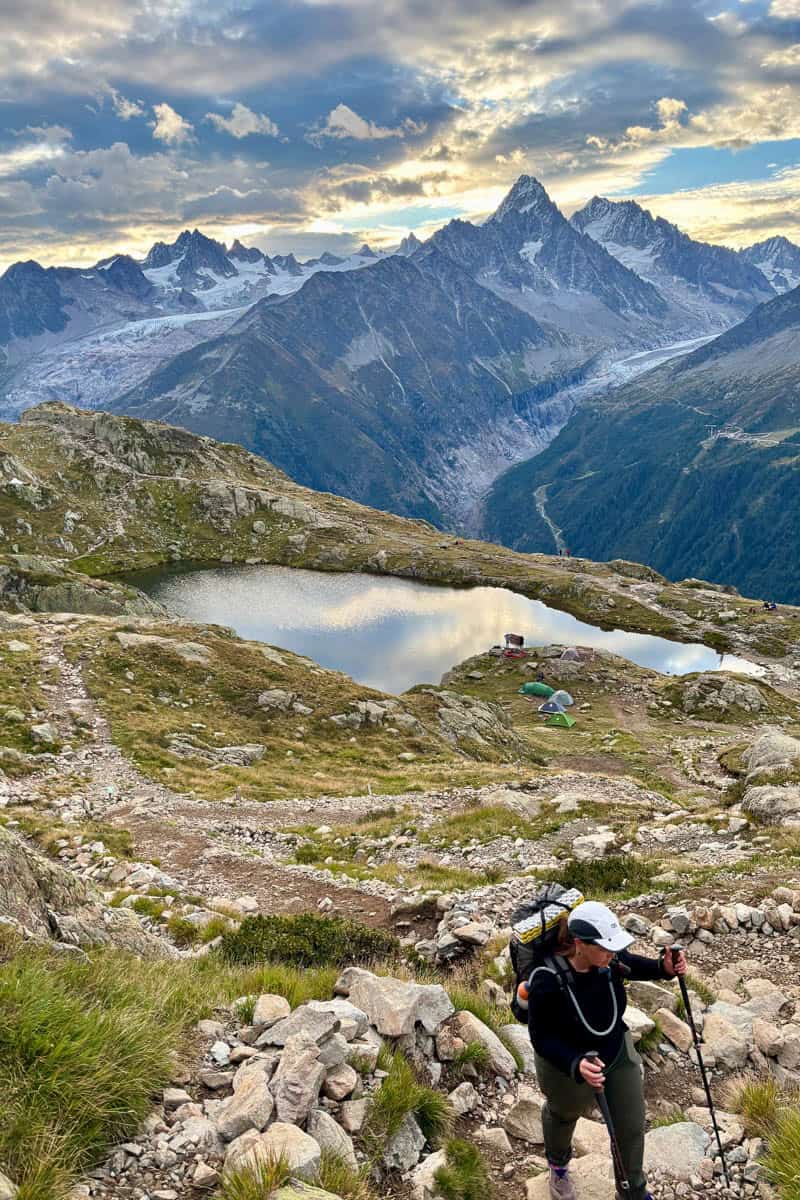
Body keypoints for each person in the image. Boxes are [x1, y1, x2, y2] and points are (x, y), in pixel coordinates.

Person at [527, 900, 687, 1200]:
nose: (612, 954)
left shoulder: (608, 958)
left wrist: (661, 969)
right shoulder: (545, 977)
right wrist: (575, 1064)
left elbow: (629, 963)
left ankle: (633, 1193)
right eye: (604, 948)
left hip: (615, 1051)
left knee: (631, 1124)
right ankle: (559, 1167)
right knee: (564, 1113)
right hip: (567, 1063)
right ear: (579, 944)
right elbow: (540, 1036)